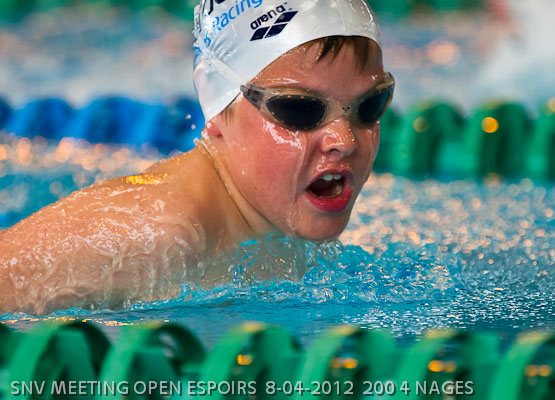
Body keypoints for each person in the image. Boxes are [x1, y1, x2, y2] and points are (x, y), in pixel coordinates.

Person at [0, 0, 394, 315]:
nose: (345, 141)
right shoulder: (151, 235)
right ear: (218, 107)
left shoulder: (279, 220)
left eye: (370, 105)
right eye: (299, 110)